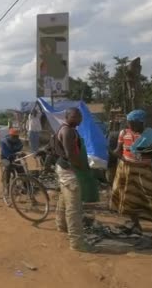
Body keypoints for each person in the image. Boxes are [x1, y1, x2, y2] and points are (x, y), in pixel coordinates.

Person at [111, 109, 152, 234]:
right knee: (127, 198)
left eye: (131, 123)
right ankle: (136, 224)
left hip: (144, 171)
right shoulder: (123, 133)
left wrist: (144, 151)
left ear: (141, 123)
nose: (129, 125)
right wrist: (111, 154)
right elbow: (118, 150)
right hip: (125, 169)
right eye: (128, 123)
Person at [54, 107, 96, 252]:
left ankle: (61, 225)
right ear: (67, 116)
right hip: (70, 170)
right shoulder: (68, 131)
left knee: (64, 198)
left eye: (80, 117)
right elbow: (71, 155)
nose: (79, 119)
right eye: (75, 116)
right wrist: (82, 169)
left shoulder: (69, 129)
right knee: (74, 208)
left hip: (64, 169)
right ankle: (77, 243)